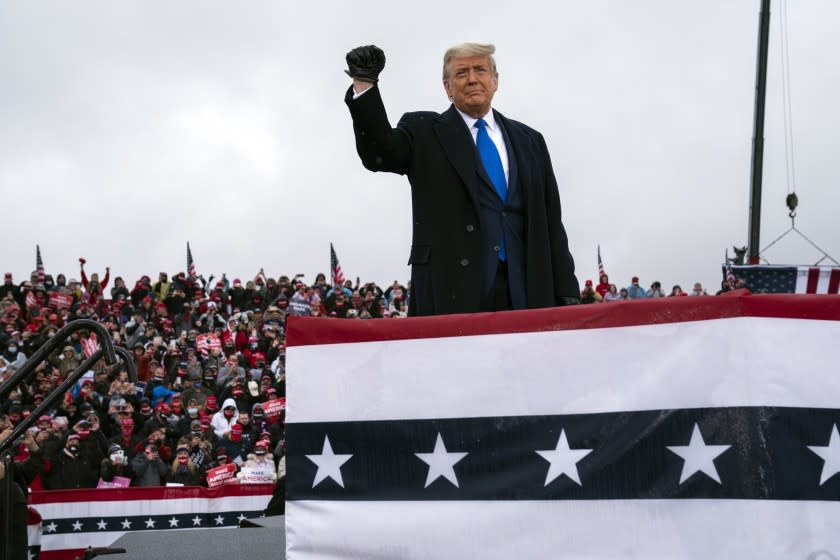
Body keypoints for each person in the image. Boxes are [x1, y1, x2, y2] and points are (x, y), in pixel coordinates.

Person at [344, 43, 579, 315]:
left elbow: (552, 223)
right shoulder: (424, 131)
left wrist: (567, 291)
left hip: (527, 289)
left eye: (480, 70)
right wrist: (364, 83)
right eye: (461, 73)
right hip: (450, 291)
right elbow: (378, 154)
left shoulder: (530, 141)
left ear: (495, 81)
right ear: (447, 88)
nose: (472, 79)